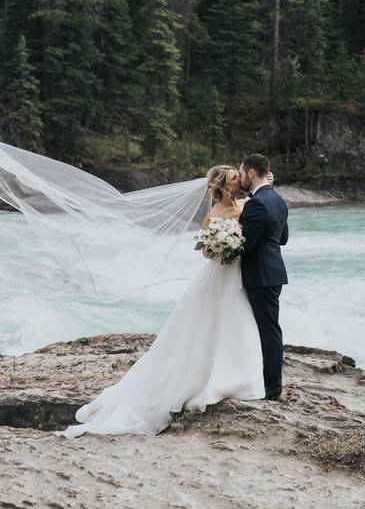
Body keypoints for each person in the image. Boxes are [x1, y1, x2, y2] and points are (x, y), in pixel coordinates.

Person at [56, 165, 275, 438]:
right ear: (222, 187)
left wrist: (265, 184)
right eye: (233, 178)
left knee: (238, 322)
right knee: (220, 321)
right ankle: (217, 380)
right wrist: (222, 247)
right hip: (221, 274)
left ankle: (239, 376)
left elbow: (261, 215)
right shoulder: (214, 215)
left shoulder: (247, 205)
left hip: (240, 276)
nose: (238, 180)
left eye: (238, 175)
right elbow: (207, 252)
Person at [237, 153, 289, 401]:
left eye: (241, 173)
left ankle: (272, 387)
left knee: (268, 331)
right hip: (272, 272)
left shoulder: (257, 203)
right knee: (264, 328)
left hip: (261, 274)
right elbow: (283, 238)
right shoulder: (277, 199)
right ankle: (262, 380)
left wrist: (223, 243)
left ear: (250, 173)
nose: (239, 178)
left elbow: (244, 244)